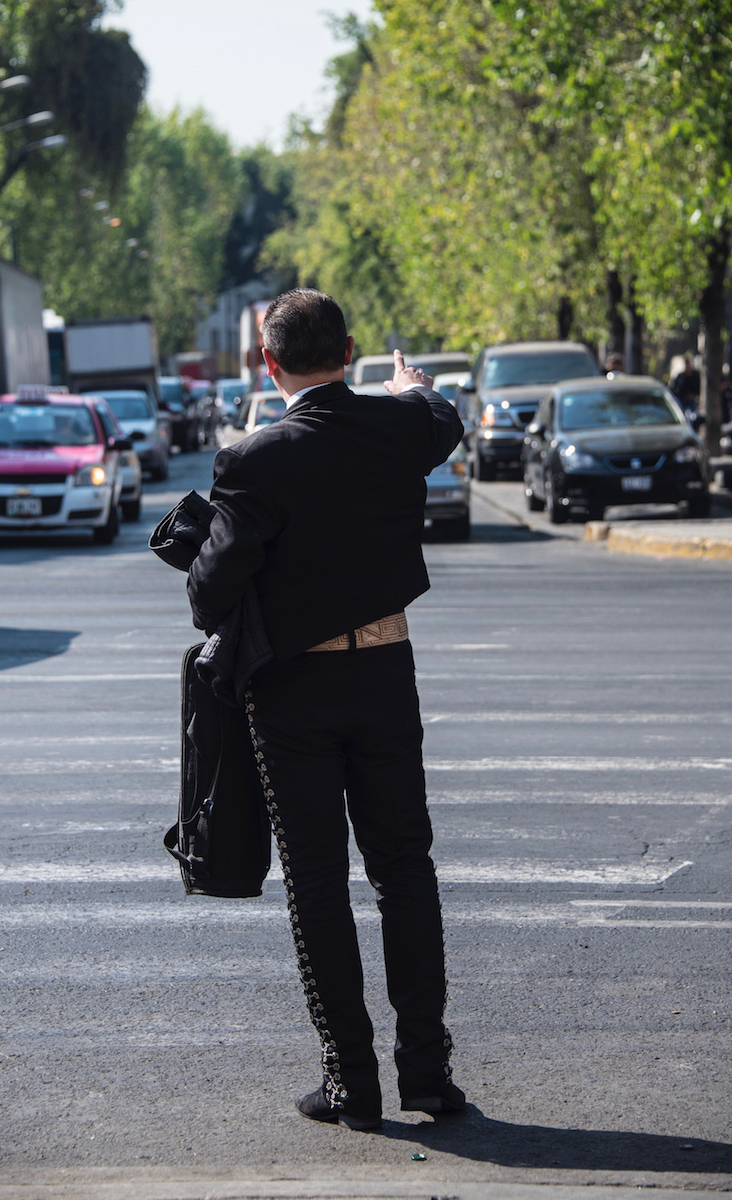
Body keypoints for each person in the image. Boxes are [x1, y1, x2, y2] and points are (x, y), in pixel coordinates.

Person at [186, 289, 466, 1131]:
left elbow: (210, 598)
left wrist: (198, 544)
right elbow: (438, 414)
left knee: (318, 883)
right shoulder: (402, 429)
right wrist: (407, 386)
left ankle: (351, 1081)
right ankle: (427, 1074)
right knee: (406, 872)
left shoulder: (254, 459)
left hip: (294, 694)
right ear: (348, 351)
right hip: (387, 674)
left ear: (267, 365)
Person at [672, 352, 701, 420]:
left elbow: (697, 387)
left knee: (694, 414)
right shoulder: (681, 376)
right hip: (682, 398)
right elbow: (676, 389)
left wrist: (693, 396)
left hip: (693, 399)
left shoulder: (695, 375)